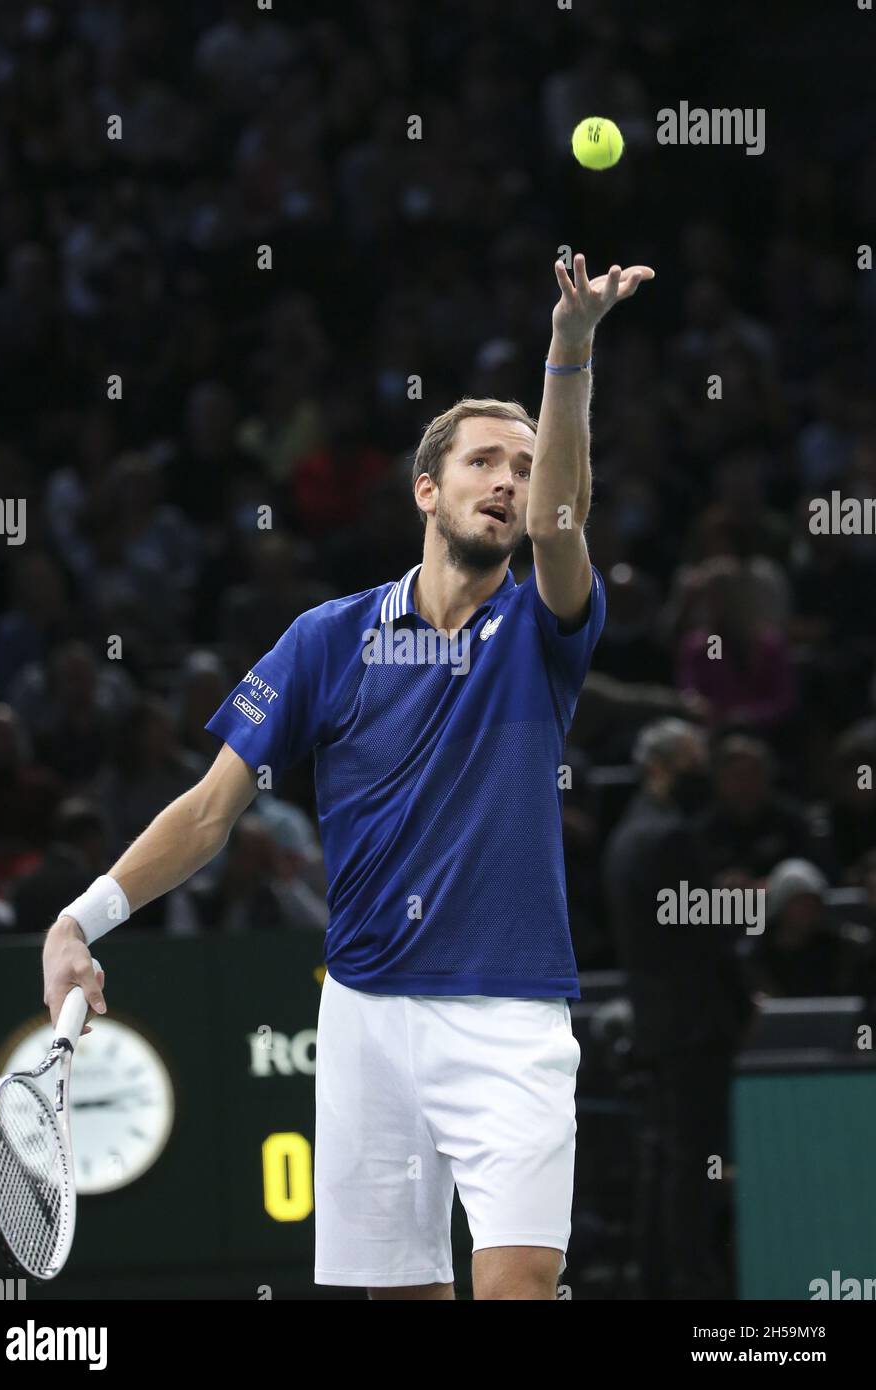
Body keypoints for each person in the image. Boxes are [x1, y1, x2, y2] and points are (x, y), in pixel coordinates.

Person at [41, 254, 653, 1300]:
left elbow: (561, 519)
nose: (507, 479)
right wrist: (76, 924)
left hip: (508, 1016)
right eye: (482, 462)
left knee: (516, 1289)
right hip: (366, 1014)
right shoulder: (325, 640)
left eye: (522, 461)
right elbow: (206, 813)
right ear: (428, 487)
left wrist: (570, 348)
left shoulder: (541, 630)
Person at [603, 718, 753, 1299]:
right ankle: (694, 1284)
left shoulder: (630, 833)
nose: (701, 775)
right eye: (691, 763)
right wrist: (740, 904)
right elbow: (705, 933)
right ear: (659, 767)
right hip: (692, 1024)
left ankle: (660, 1279)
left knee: (666, 1161)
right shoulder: (668, 837)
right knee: (692, 1163)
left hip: (659, 1021)